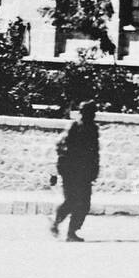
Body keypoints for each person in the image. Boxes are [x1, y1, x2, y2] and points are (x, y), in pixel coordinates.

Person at [51, 100, 100, 242]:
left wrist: (94, 169)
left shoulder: (93, 129)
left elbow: (94, 152)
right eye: (87, 112)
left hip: (85, 171)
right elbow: (60, 145)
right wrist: (63, 165)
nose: (90, 115)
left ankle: (72, 232)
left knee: (84, 203)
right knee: (71, 200)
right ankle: (56, 222)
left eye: (92, 112)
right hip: (71, 170)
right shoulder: (73, 126)